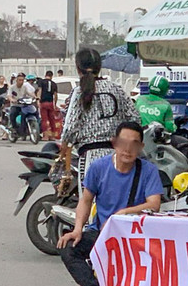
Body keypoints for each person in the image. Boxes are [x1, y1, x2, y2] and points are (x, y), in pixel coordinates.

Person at [56, 121, 165, 286]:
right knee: (68, 246)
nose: (128, 149)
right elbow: (86, 200)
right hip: (102, 234)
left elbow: (154, 204)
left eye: (134, 144)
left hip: (135, 237)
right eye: (123, 143)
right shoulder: (99, 167)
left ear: (141, 147)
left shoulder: (148, 171)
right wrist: (77, 229)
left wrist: (123, 214)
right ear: (114, 143)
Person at [59, 48, 138, 188]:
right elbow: (135, 120)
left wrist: (63, 151)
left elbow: (69, 129)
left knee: (89, 202)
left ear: (78, 68)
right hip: (117, 156)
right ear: (100, 67)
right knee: (115, 202)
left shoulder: (78, 92)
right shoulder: (117, 89)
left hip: (89, 157)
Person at [35, 70, 61, 139]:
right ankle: (52, 136)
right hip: (50, 103)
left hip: (43, 103)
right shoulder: (54, 84)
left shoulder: (41, 82)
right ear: (51, 76)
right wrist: (54, 105)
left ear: (45, 75)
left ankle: (45, 136)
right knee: (52, 119)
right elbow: (55, 95)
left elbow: (39, 91)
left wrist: (38, 100)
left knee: (44, 120)